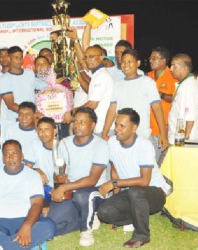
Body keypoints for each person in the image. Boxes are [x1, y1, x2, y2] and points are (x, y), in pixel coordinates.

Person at [98, 108, 168, 248]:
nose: (117, 129)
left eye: (122, 126)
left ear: (134, 128)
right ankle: (137, 218)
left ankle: (142, 235)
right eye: (116, 124)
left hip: (155, 193)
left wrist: (113, 183)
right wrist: (115, 196)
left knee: (136, 191)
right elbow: (115, 170)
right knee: (104, 213)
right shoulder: (112, 142)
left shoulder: (144, 145)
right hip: (132, 194)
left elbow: (144, 181)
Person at [0, 139, 56, 249]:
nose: (10, 158)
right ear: (3, 158)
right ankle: (22, 245)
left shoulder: (33, 175)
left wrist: (27, 226)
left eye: (14, 153)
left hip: (24, 219)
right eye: (6, 154)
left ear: (22, 155)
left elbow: (37, 204)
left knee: (48, 227)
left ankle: (0, 246)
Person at [48, 107, 109, 247]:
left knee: (82, 196)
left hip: (95, 190)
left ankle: (86, 230)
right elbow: (59, 171)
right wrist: (59, 184)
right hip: (71, 189)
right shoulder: (64, 143)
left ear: (92, 125)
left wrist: (64, 187)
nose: (76, 125)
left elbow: (92, 179)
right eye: (75, 121)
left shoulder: (101, 145)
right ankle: (86, 215)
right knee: (53, 222)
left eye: (82, 122)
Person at [102, 49, 169, 152]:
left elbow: (157, 109)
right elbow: (112, 110)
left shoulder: (147, 82)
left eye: (129, 61)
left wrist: (163, 134)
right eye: (123, 61)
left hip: (141, 136)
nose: (125, 64)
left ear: (138, 63)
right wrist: (104, 132)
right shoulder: (117, 84)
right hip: (121, 136)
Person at [63, 45, 114, 135]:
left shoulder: (101, 76)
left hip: (103, 128)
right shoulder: (97, 74)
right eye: (86, 57)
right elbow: (89, 92)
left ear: (101, 58)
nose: (88, 60)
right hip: (100, 127)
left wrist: (72, 113)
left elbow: (92, 104)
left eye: (91, 57)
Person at [148, 47, 176, 161]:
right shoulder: (147, 76)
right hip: (147, 129)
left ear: (164, 60)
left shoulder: (173, 76)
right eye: (150, 58)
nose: (150, 60)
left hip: (163, 130)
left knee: (160, 167)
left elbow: (176, 99)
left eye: (154, 58)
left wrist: (161, 94)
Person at [168, 53, 198, 144]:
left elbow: (190, 114)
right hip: (177, 137)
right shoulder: (183, 84)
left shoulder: (189, 85)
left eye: (174, 66)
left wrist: (185, 139)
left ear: (184, 68)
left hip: (183, 140)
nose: (171, 69)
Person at [0, 46, 36, 121]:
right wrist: (29, 113)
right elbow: (10, 105)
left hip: (32, 119)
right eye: (16, 57)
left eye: (21, 57)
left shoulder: (30, 73)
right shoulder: (5, 79)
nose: (19, 60)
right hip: (15, 119)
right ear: (9, 59)